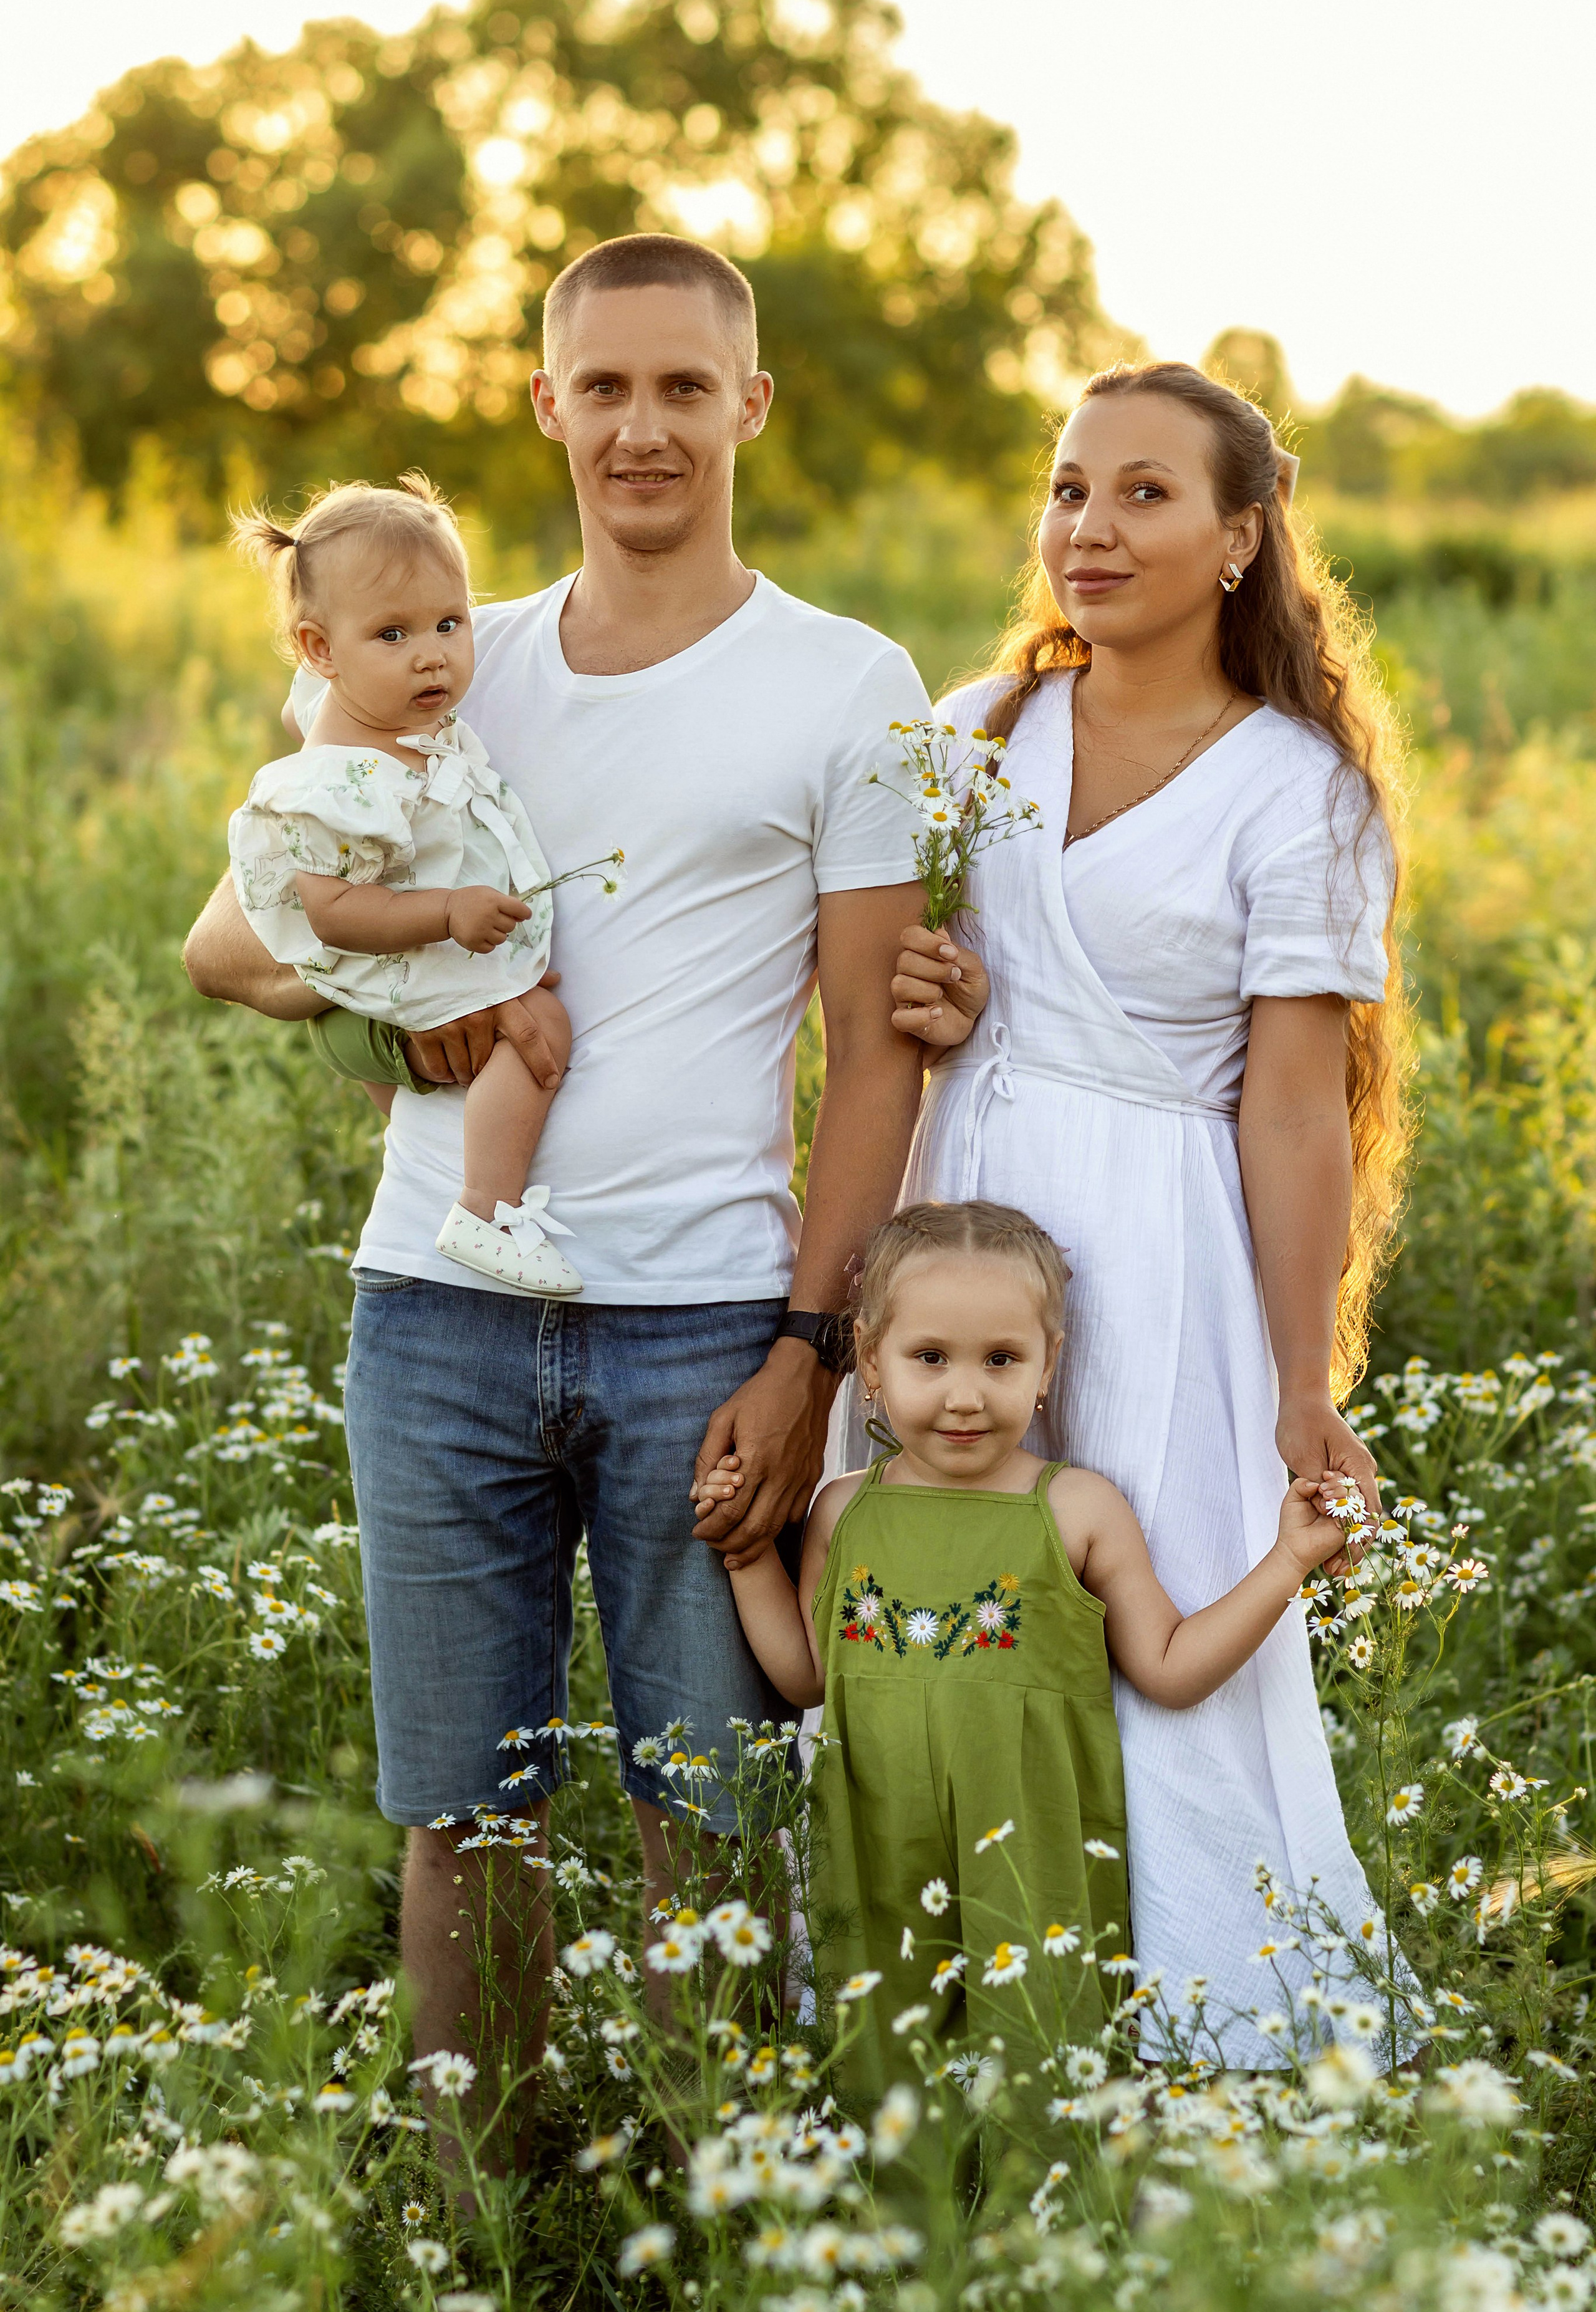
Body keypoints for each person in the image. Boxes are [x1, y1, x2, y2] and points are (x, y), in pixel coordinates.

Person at [183, 234, 930, 2156]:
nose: (644, 427)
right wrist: (403, 999)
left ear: (749, 406)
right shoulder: (444, 655)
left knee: (714, 1805)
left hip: (706, 1324)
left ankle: (727, 2209)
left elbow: (877, 1048)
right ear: (546, 405)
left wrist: (812, 1350)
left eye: (685, 387)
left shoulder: (847, 682)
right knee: (459, 1806)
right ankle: (480, 2220)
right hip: (432, 1311)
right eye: (604, 386)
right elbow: (239, 936)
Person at [873, 362, 1411, 2064]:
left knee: (1146, 1604)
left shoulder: (1297, 789)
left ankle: (1201, 2037)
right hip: (961, 1209)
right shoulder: (975, 729)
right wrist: (940, 997)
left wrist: (1299, 1375)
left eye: (1144, 493)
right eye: (1067, 488)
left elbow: (1297, 1106)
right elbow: (910, 997)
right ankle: (937, 2015)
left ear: (1243, 539)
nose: (1088, 528)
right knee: (943, 1592)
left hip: (1165, 1242)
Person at [697, 1200, 1360, 2091]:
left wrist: (1288, 1561)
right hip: (876, 1852)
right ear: (871, 1364)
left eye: (1001, 1360)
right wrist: (745, 1559)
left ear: (1048, 1367)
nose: (965, 1394)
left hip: (1034, 1864)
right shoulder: (844, 1509)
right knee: (885, 2080)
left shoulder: (1077, 1509)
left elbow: (1170, 1668)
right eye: (930, 1357)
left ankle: (1037, 2223)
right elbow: (806, 1676)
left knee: (1040, 2075)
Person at [228, 474, 605, 1298]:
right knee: (540, 1026)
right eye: (393, 634)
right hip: (373, 958)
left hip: (377, 979)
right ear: (321, 651)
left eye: (450, 622)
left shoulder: (376, 712)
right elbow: (330, 912)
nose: (432, 653)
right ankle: (483, 1208)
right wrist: (447, 912)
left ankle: (435, 1155)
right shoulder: (341, 778)